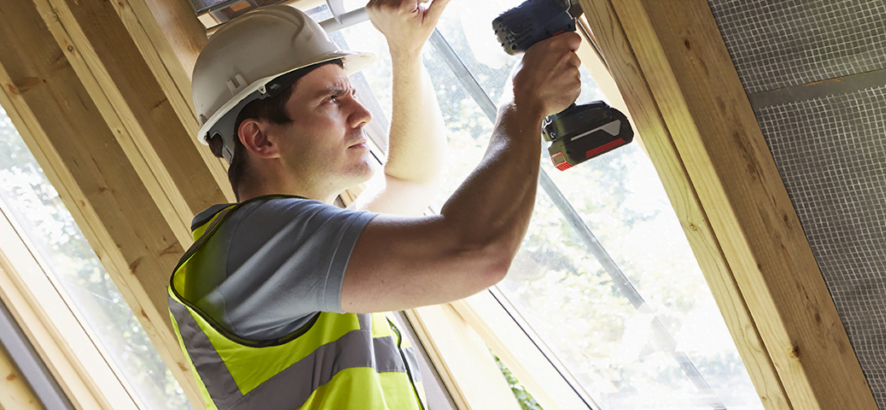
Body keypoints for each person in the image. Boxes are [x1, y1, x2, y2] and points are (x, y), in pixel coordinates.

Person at [166, 0, 582, 409]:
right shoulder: (250, 249)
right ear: (261, 139)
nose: (363, 113)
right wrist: (524, 103)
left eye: (350, 94)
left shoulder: (277, 254)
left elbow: (410, 178)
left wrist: (407, 53)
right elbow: (475, 252)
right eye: (332, 100)